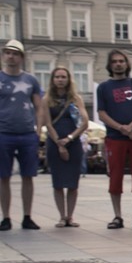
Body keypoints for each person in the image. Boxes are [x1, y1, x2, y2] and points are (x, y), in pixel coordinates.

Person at [96, 49, 132, 230]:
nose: (119, 64)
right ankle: (117, 216)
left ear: (127, 64)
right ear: (110, 65)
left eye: (122, 61)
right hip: (114, 138)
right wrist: (120, 128)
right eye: (115, 62)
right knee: (115, 176)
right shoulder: (104, 87)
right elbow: (102, 113)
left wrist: (131, 126)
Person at [0, 39, 44, 231]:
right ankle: (6, 217)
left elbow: (39, 107)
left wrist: (38, 129)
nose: (11, 56)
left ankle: (27, 216)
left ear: (21, 57)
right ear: (3, 56)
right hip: (3, 133)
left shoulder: (31, 80)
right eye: (8, 52)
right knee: (3, 177)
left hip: (27, 133)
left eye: (15, 53)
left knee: (28, 176)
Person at [41, 67, 89, 228]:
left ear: (68, 79)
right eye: (57, 77)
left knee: (73, 182)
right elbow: (47, 123)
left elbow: (84, 122)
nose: (60, 80)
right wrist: (58, 142)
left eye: (63, 77)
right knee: (58, 182)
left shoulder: (76, 99)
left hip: (73, 143)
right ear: (52, 80)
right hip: (54, 143)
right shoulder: (46, 99)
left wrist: (69, 138)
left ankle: (70, 216)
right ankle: (62, 216)